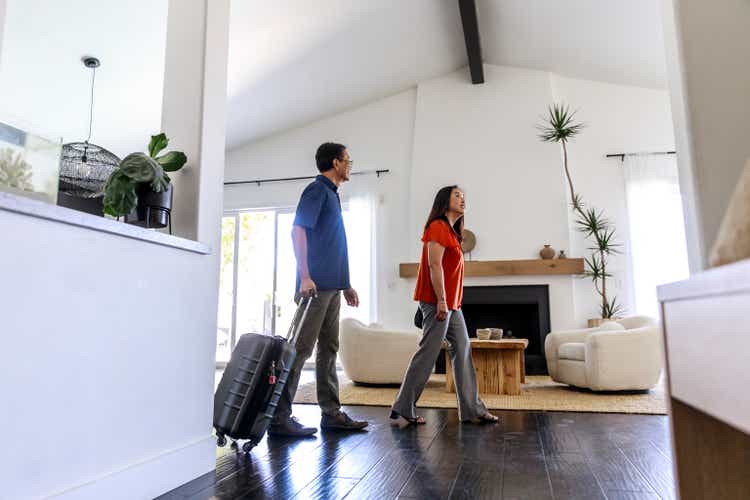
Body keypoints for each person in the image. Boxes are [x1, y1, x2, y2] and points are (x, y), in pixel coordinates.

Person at [269, 142, 369, 437]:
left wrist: (346, 283)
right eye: (348, 160)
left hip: (331, 287)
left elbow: (330, 246)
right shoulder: (316, 190)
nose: (350, 165)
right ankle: (279, 417)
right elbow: (297, 230)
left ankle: (331, 413)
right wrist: (305, 276)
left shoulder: (332, 195)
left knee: (329, 348)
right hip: (314, 287)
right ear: (335, 163)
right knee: (299, 350)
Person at [390, 186, 499, 426]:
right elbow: (434, 266)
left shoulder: (453, 232)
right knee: (428, 352)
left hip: (452, 303)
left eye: (464, 196)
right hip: (436, 301)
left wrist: (449, 302)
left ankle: (472, 409)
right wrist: (440, 300)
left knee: (462, 349)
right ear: (444, 200)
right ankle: (404, 406)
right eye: (457, 195)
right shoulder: (437, 227)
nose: (462, 199)